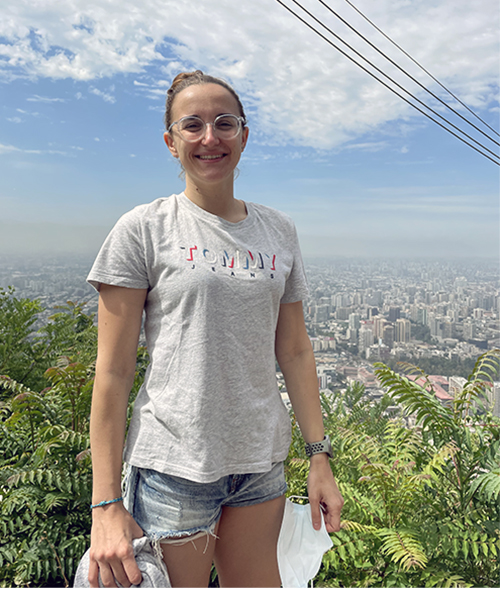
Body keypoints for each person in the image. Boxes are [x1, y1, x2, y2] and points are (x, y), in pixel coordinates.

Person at [87, 70, 344, 588]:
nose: (211, 137)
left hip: (260, 461)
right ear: (171, 142)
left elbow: (293, 350)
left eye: (225, 123)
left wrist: (321, 457)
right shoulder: (144, 228)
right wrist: (105, 504)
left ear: (244, 135)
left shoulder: (278, 230)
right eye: (193, 125)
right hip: (173, 466)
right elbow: (113, 372)